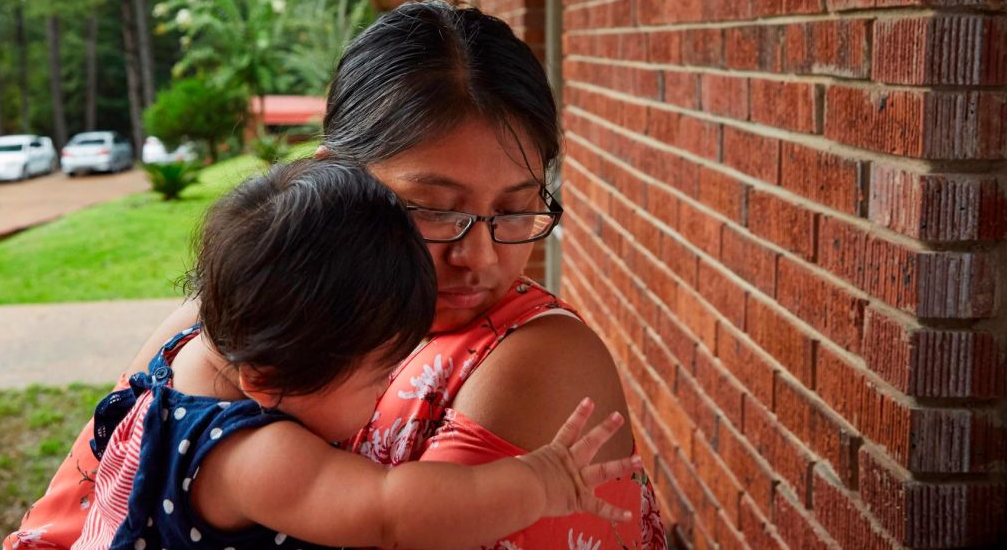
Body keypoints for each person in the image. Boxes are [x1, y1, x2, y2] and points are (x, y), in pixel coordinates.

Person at [5, 0, 666, 549]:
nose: (481, 259)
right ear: (332, 182)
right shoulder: (234, 325)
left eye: (515, 210)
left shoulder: (529, 361)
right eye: (433, 209)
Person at [70, 159, 639, 549]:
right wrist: (537, 484)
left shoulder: (184, 357)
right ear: (266, 378)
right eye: (379, 378)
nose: (386, 391)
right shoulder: (255, 457)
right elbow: (393, 512)